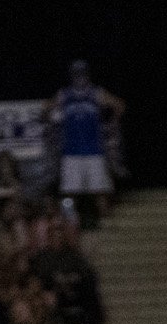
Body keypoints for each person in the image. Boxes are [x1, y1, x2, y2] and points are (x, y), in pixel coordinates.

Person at [47, 60, 123, 216]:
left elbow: (119, 105)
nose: (80, 78)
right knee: (69, 193)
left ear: (87, 75)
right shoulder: (64, 94)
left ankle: (108, 224)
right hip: (71, 151)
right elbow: (46, 109)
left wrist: (110, 123)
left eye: (82, 74)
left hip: (94, 150)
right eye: (76, 74)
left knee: (100, 190)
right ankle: (69, 221)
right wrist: (53, 120)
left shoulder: (96, 93)